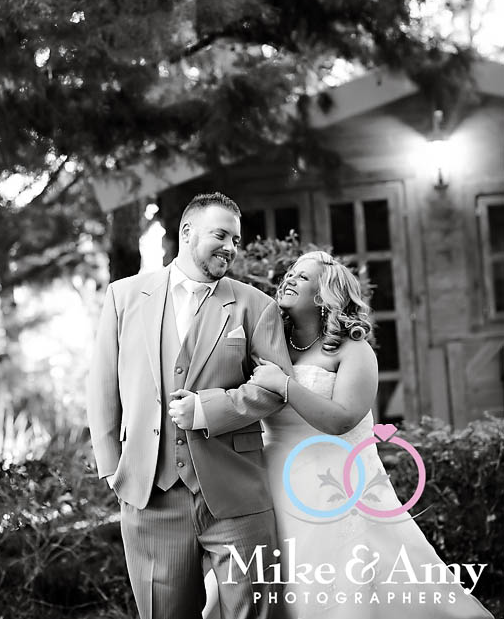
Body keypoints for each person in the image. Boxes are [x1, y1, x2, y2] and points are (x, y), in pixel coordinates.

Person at [246, 250, 494, 618]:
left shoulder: (354, 349)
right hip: (275, 484)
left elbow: (342, 419)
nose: (289, 279)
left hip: (336, 486)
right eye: (290, 274)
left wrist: (284, 384)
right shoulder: (268, 345)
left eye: (302, 276)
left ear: (323, 296)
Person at [86, 192, 293, 619]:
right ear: (186, 232)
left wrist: (208, 410)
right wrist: (110, 467)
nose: (230, 247)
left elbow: (276, 388)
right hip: (151, 496)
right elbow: (103, 385)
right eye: (221, 235)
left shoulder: (257, 306)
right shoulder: (124, 297)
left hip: (237, 494)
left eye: (235, 240)